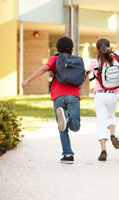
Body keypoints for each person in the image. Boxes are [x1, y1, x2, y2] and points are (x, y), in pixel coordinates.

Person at [22, 36, 82, 164]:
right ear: (72, 49)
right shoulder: (77, 61)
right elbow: (80, 81)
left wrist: (27, 80)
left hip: (58, 96)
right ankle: (67, 150)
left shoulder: (55, 59)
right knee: (75, 126)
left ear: (58, 49)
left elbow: (43, 68)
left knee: (62, 126)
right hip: (73, 95)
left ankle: (67, 155)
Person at [85, 22, 119, 161]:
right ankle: (113, 134)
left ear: (97, 49)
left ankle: (103, 149)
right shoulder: (116, 55)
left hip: (99, 95)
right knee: (111, 116)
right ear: (108, 47)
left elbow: (83, 76)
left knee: (101, 122)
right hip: (112, 94)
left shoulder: (94, 62)